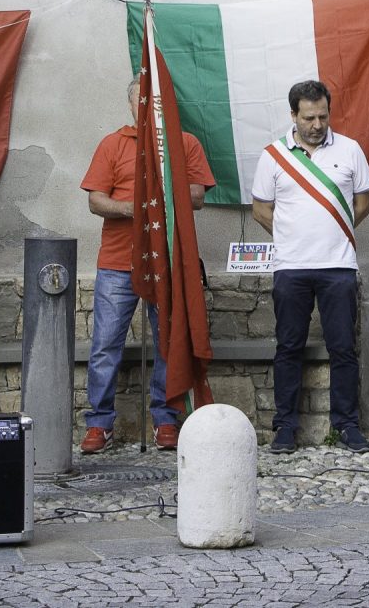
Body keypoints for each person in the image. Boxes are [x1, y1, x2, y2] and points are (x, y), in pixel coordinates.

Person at [80, 75, 215, 454]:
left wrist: (159, 198)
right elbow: (95, 201)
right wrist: (137, 208)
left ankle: (166, 418)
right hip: (118, 262)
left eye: (157, 102)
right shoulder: (112, 143)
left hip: (167, 261)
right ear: (131, 105)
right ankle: (99, 423)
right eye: (144, 101)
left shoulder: (183, 142)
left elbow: (198, 195)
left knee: (169, 343)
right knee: (106, 344)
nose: (150, 108)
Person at [252, 80, 369, 455]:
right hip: (291, 268)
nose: (317, 124)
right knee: (288, 346)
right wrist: (292, 238)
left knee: (343, 348)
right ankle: (285, 427)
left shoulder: (350, 150)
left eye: (323, 116)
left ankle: (347, 426)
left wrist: (334, 236)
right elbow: (260, 209)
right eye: (309, 118)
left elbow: (363, 203)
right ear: (293, 115)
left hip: (338, 266)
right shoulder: (273, 155)